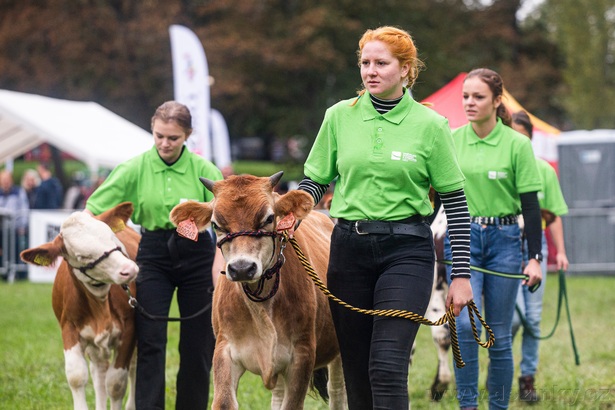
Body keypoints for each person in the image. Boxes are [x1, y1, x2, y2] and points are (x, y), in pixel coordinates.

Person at [299, 26, 473, 410]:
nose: (370, 71)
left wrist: (461, 276)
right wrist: (293, 209)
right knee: (356, 369)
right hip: (346, 252)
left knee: (387, 366)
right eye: (365, 63)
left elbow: (457, 207)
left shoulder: (431, 126)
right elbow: (315, 180)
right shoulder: (338, 117)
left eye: (381, 63)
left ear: (406, 70)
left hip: (406, 252)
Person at [85, 100, 225, 410]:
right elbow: (93, 210)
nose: (164, 143)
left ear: (187, 135)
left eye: (173, 138)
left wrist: (220, 260)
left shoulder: (205, 170)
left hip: (198, 254)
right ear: (153, 130)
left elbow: (228, 219)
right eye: (159, 135)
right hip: (153, 254)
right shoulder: (133, 168)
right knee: (150, 340)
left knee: (198, 345)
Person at [443, 68, 543, 410]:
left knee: (498, 338)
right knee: (465, 332)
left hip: (505, 241)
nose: (470, 103)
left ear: (497, 101)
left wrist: (535, 257)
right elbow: (434, 197)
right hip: (462, 238)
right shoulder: (451, 139)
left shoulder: (517, 144)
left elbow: (531, 207)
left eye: (478, 97)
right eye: (466, 97)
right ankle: (467, 407)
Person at [510, 110, 569, 402]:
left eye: (521, 138)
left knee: (532, 319)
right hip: (504, 246)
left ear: (530, 140)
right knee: (511, 320)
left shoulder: (543, 170)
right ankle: (501, 369)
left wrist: (561, 253)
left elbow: (553, 215)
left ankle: (527, 378)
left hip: (536, 250)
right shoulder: (499, 169)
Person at [0, 170, 30, 279]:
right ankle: (4, 271)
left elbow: (24, 208)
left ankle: (18, 273)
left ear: (11, 180)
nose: (6, 182)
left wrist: (23, 225)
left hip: (15, 229)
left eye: (7, 180)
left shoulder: (18, 192)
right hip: (2, 229)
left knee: (17, 250)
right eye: (3, 180)